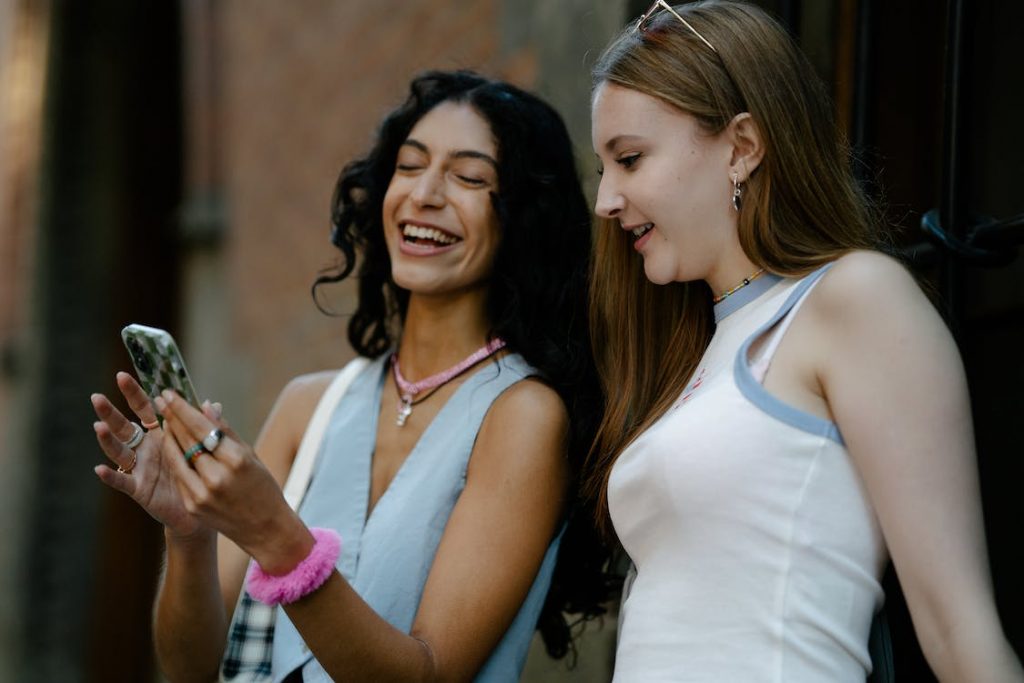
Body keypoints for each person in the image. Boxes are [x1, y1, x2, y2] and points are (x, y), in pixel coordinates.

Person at [91, 69, 607, 682]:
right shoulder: (309, 406)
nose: (424, 194)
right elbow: (188, 669)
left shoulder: (523, 414)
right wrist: (191, 534)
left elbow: (431, 673)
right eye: (410, 166)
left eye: (469, 177)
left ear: (524, 217)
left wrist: (280, 540)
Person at [585, 1, 1024, 681]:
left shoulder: (853, 299)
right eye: (603, 168)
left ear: (742, 147)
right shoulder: (699, 349)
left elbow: (958, 627)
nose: (606, 199)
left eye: (631, 159)